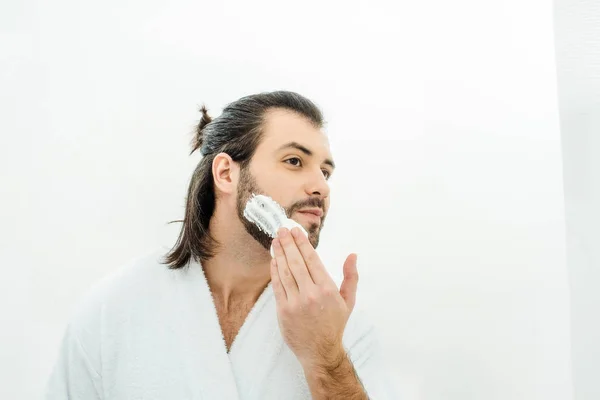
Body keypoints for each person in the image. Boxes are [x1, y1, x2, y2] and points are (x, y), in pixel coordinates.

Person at [45, 91, 398, 399]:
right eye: (294, 161)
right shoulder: (111, 314)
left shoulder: (342, 328)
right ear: (226, 173)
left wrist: (326, 357)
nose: (321, 186)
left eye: (326, 172)